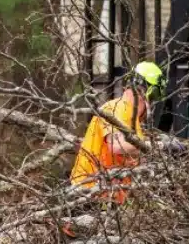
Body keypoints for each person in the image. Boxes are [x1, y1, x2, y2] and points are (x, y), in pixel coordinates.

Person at [70, 61, 168, 204]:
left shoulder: (133, 123)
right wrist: (161, 146)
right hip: (89, 195)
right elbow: (116, 146)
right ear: (148, 94)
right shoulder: (114, 109)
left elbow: (134, 158)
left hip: (109, 198)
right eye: (153, 100)